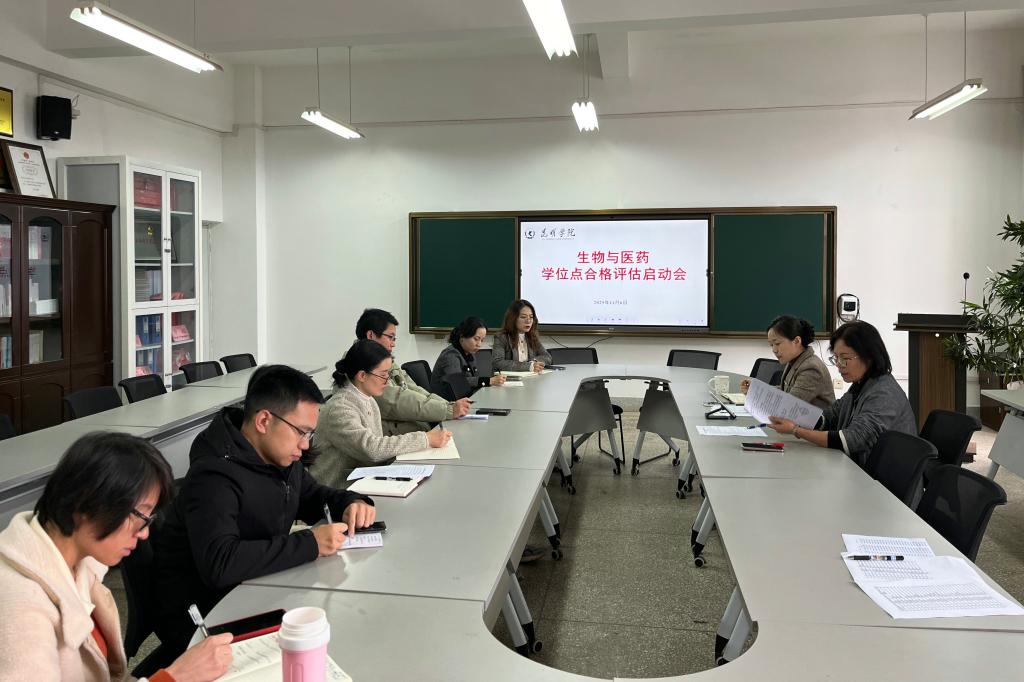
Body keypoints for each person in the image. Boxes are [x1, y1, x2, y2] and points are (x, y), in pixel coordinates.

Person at [152, 365, 376, 663]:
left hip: (255, 587)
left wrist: (351, 501)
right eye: (301, 432)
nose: (305, 444)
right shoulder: (214, 476)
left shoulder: (279, 457)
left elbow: (311, 497)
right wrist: (310, 543)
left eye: (310, 434)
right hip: (206, 616)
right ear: (263, 421)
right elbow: (221, 563)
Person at [0, 432, 233, 682]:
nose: (144, 533)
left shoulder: (78, 565)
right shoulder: (19, 607)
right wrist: (174, 677)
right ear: (86, 505)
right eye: (141, 517)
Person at [766, 320, 917, 466]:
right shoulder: (861, 384)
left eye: (845, 359)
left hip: (880, 479)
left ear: (869, 356)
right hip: (858, 468)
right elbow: (831, 416)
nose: (839, 365)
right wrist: (798, 421)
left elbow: (852, 440)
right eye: (836, 358)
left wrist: (796, 430)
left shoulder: (883, 393)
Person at [311, 339, 453, 487]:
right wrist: (425, 439)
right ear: (362, 375)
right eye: (383, 375)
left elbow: (375, 452)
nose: (387, 381)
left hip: (362, 479)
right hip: (337, 489)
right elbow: (372, 449)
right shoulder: (340, 409)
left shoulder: (369, 399)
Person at [356, 308, 471, 434]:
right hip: (396, 440)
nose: (393, 344)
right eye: (390, 337)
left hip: (415, 431)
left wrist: (449, 406)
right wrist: (448, 410)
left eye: (394, 339)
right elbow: (396, 402)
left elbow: (414, 389)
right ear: (371, 335)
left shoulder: (384, 360)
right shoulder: (360, 364)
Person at [740, 315, 835, 409]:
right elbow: (784, 391)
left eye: (777, 343)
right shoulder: (794, 361)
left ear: (797, 341)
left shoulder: (811, 368)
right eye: (771, 345)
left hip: (813, 419)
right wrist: (755, 389)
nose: (774, 350)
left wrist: (759, 394)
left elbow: (789, 404)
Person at [430, 316, 507, 400]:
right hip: (448, 404)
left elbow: (473, 380)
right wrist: (489, 381)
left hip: (464, 399)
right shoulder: (450, 355)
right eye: (476, 339)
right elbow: (458, 383)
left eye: (482, 340)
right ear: (462, 336)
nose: (479, 344)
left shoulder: (469, 353)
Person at [492, 299, 553, 373]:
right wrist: (528, 366)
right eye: (523, 317)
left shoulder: (532, 337)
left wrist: (534, 362)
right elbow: (497, 363)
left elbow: (547, 357)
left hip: (530, 378)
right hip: (508, 379)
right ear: (513, 319)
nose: (528, 321)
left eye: (531, 317)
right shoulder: (502, 337)